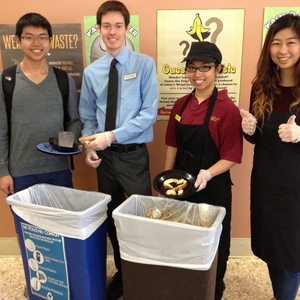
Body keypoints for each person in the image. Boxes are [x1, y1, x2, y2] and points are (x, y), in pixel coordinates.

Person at [78, 1, 158, 299]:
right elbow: (87, 116)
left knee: (140, 218)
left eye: (118, 26)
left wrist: (110, 136)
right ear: (98, 29)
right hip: (105, 159)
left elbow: (148, 114)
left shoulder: (144, 64)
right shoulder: (92, 73)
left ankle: (144, 274)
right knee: (111, 217)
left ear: (127, 28)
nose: (112, 32)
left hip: (133, 155)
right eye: (106, 26)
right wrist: (88, 147)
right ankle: (124, 274)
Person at [0, 12, 82, 299]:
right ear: (17, 41)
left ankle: (65, 284)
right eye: (29, 37)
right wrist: (2, 171)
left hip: (58, 168)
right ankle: (36, 284)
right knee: (29, 234)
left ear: (51, 41)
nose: (36, 43)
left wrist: (68, 142)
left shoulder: (63, 80)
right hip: (21, 172)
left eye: (42, 37)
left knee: (62, 230)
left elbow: (74, 120)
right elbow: (0, 130)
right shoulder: (7, 80)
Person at [164, 41, 243, 300]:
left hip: (214, 186)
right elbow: (172, 144)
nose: (197, 74)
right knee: (183, 237)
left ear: (218, 69)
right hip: (182, 183)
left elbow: (232, 156)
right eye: (192, 67)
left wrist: (208, 173)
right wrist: (166, 181)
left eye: (205, 67)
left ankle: (212, 290)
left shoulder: (226, 109)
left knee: (214, 242)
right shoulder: (181, 106)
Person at [240, 14, 300, 300]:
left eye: (291, 42)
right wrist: (249, 128)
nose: (283, 50)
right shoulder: (261, 85)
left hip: (296, 186)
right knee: (272, 247)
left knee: (292, 252)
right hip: (266, 180)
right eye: (276, 43)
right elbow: (256, 138)